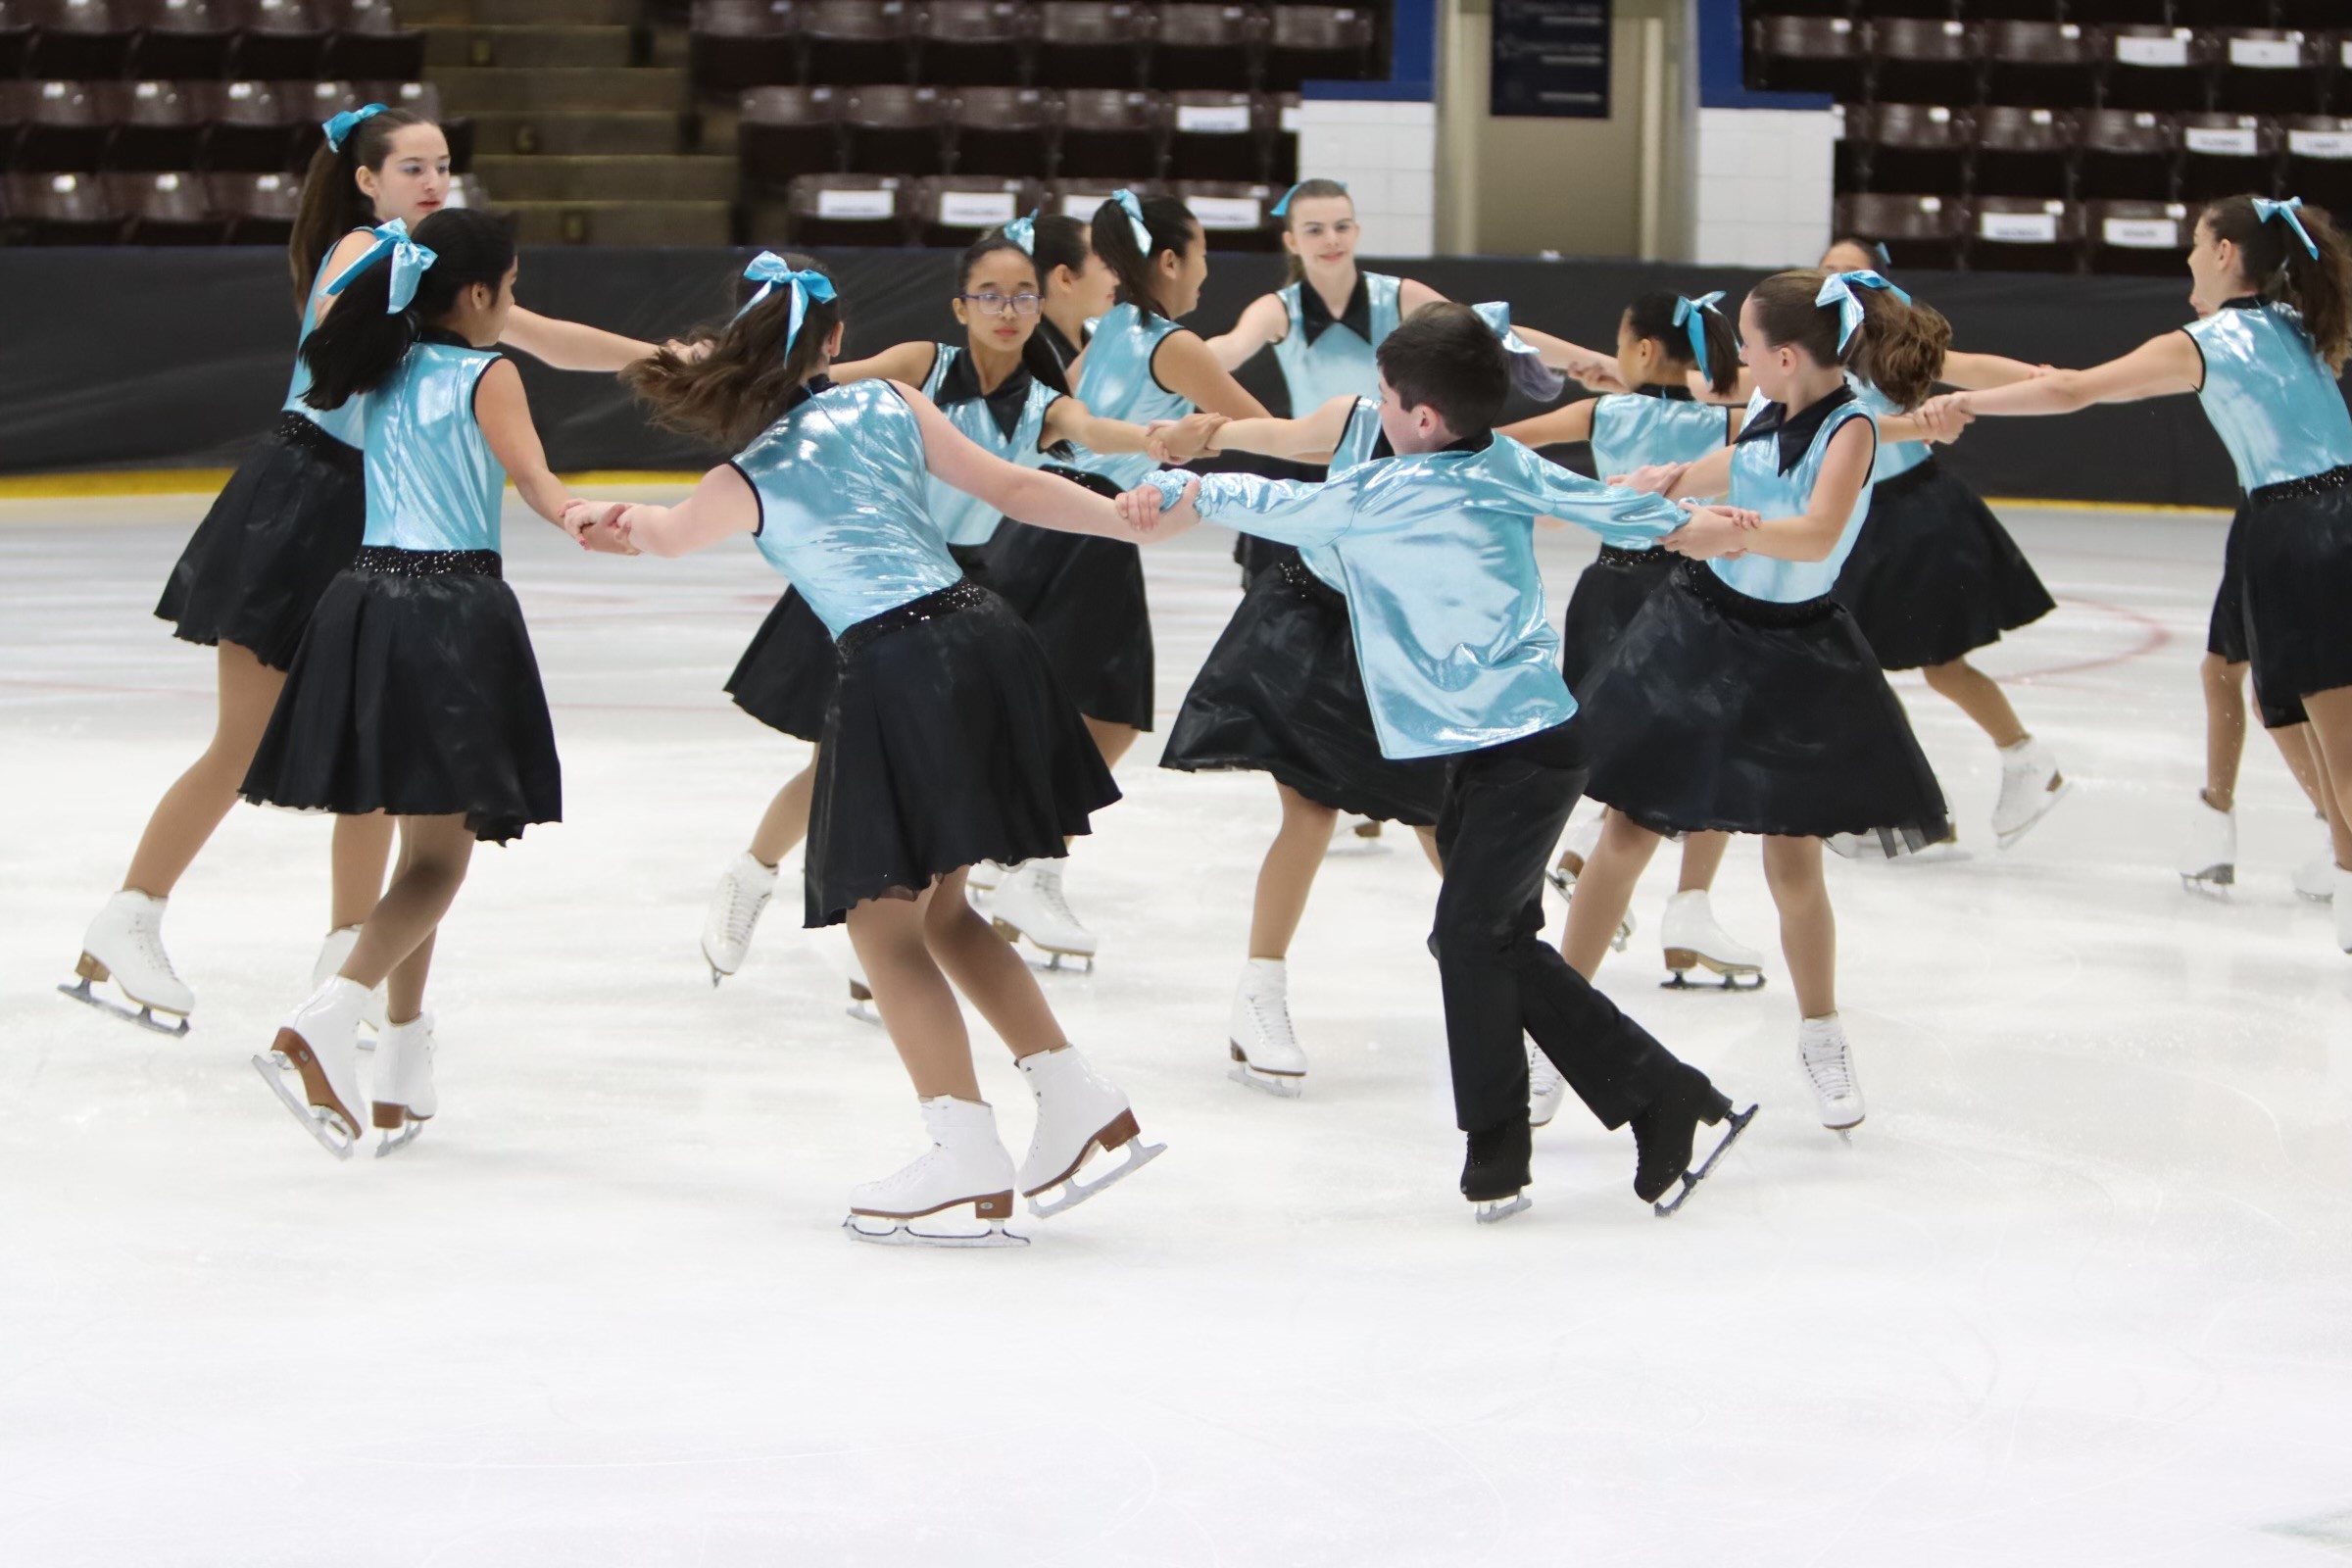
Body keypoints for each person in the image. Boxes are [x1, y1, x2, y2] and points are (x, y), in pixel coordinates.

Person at [1120, 303, 1762, 1222]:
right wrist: (1695, 521)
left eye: (1382, 398)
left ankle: (1592, 1122)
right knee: (1493, 942)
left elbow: (1285, 504)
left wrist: (1183, 488)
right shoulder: (1504, 464)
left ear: (1422, 418)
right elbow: (1615, 509)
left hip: (1527, 753)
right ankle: (1611, 1118)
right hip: (1474, 756)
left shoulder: (1388, 491)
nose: (1372, 411)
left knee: (1468, 938)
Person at [578, 254, 1166, 1245]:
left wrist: (602, 519)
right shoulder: (891, 400)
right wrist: (1116, 515)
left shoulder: (745, 472)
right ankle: (1076, 1100)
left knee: (878, 918)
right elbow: (1016, 487)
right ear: (837, 345)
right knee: (942, 912)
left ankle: (965, 1151)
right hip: (986, 638)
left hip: (901, 668)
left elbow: (670, 536)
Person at [64, 101, 660, 1037]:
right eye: (413, 168)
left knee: (380, 754)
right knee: (240, 745)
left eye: (443, 167)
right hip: (300, 506)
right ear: (367, 181)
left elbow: (527, 329)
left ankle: (345, 948)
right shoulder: (361, 255)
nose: (432, 182)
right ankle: (127, 916)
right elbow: (476, 334)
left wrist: (661, 359)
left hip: (375, 516)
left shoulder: (433, 278)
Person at [696, 228, 1218, 999]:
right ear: (960, 306)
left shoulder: (1044, 406)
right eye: (990, 296)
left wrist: (1156, 437)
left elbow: (1101, 434)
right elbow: (817, 379)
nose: (1007, 311)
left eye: (1023, 297)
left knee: (930, 765)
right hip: (860, 580)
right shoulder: (918, 366)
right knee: (838, 763)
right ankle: (754, 875)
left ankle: (877, 927)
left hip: (951, 593)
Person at [241, 209, 620, 1158]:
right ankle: (328, 1017)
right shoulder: (489, 372)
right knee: (440, 862)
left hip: (364, 603)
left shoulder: (381, 362)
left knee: (422, 834)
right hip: (449, 614)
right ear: (483, 294)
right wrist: (577, 511)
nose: (516, 306)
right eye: (515, 289)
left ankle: (403, 1064)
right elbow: (533, 479)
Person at [1563, 270, 1956, 1137]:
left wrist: (1723, 528)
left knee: (1792, 864)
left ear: (1782, 357)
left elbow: (1817, 529)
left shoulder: (1850, 427)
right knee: (1628, 830)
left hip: (1797, 652)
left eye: (1744, 345)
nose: (1733, 358)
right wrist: (1660, 484)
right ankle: (1557, 1031)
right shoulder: (1769, 410)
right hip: (1701, 628)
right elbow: (1729, 464)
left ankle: (1822, 1034)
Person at [1922, 194, 2352, 952]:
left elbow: (2073, 390)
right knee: (2285, 711)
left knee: (2329, 739)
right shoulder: (2297, 325)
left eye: (2195, 242)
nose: (2187, 256)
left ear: (2225, 255)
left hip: (2301, 534)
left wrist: (1959, 407)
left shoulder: (2210, 340)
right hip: (2315, 521)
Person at [975, 190, 1274, 964]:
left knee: (1071, 708)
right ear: (1169, 260)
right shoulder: (1172, 342)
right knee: (1108, 712)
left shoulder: (1112, 331)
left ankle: (1011, 854)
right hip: (1087, 530)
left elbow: (1072, 413)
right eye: (1201, 251)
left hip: (1048, 522)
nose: (1207, 269)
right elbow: (1262, 433)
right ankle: (1024, 864)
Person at [1499, 288, 1768, 1004]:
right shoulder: (1734, 422)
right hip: (1697, 593)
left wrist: (1546, 498)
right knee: (1712, 748)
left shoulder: (1601, 411)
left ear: (1642, 351)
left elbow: (1504, 444)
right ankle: (1681, 901)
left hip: (1610, 591)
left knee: (1615, 742)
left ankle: (1602, 855)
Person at [1813, 238, 2070, 852]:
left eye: (1850, 272)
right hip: (1869, 523)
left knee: (1903, 664)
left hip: (1914, 518)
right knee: (1886, 666)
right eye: (1826, 270)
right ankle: (1932, 795)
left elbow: (1975, 367)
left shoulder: (1887, 347)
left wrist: (2054, 382)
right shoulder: (1817, 349)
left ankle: (1924, 800)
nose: (1835, 281)